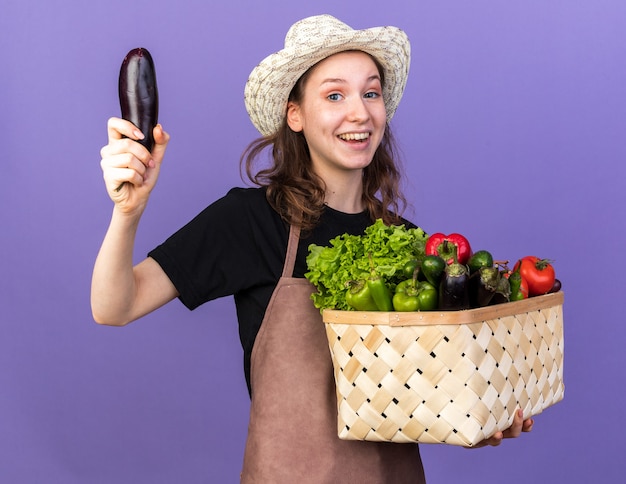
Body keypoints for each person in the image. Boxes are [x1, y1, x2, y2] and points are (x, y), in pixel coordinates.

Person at [92, 14, 533, 483]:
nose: (360, 112)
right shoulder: (250, 220)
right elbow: (114, 306)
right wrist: (128, 212)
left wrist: (476, 419)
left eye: (371, 92)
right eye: (335, 95)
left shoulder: (407, 243)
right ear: (295, 114)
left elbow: (420, 394)